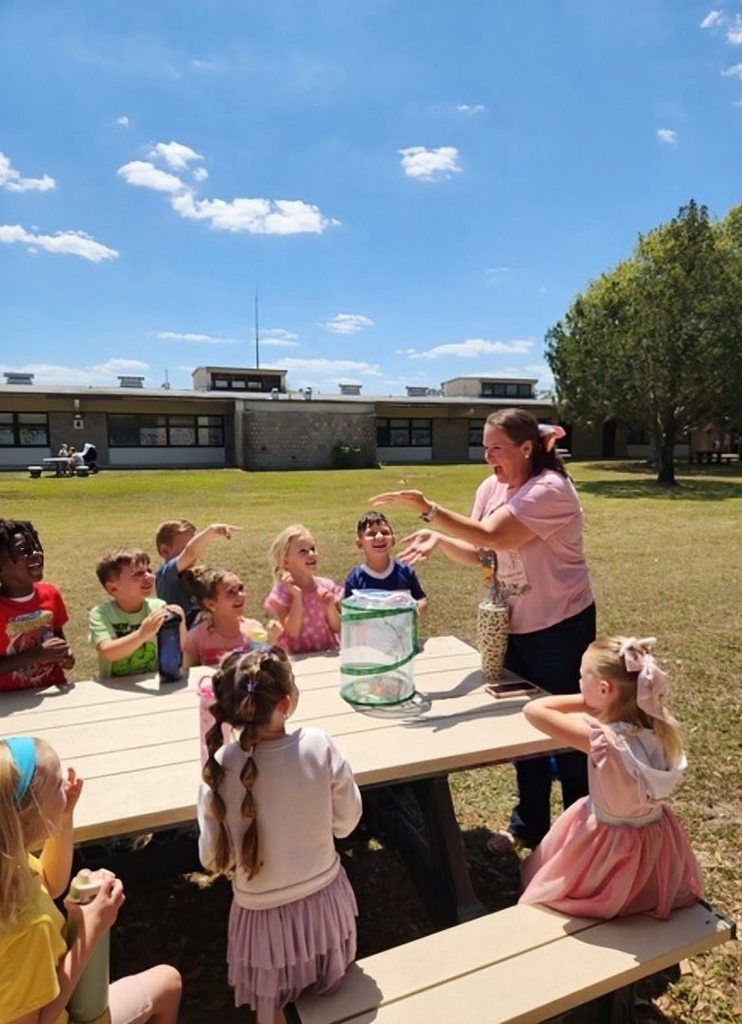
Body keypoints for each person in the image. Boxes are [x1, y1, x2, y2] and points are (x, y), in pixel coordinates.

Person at [371, 407, 595, 852]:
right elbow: (483, 553)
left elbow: (494, 535)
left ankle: (580, 835)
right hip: (514, 626)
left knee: (569, 735)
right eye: (485, 447)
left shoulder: (550, 489)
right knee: (523, 727)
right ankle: (530, 824)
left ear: (526, 448)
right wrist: (441, 540)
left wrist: (429, 510)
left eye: (496, 448)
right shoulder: (491, 487)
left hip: (560, 625)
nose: (487, 457)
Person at [198, 647, 362, 1024]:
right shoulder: (320, 744)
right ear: (286, 702)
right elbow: (347, 823)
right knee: (331, 997)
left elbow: (211, 859)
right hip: (325, 905)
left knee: (271, 1008)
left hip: (260, 920)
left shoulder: (218, 768)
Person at [0, 735, 181, 1023]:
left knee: (166, 984)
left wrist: (64, 815)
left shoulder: (10, 864)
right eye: (58, 783)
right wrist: (90, 931)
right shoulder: (29, 927)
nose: (68, 783)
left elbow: (50, 882)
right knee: (168, 984)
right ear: (26, 818)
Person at [519, 636, 704, 918]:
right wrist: (602, 701)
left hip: (606, 842)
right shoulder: (660, 727)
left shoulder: (604, 740)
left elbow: (533, 710)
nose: (578, 681)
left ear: (605, 689)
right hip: (656, 835)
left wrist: (585, 702)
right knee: (642, 889)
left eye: (582, 677)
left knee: (586, 891)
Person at [0, 519, 75, 692]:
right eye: (23, 551)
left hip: (52, 688)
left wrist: (64, 654)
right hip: (9, 701)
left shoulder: (51, 594)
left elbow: (56, 636)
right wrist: (36, 655)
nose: (36, 553)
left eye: (36, 546)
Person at [88, 549, 185, 678]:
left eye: (148, 571)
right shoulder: (101, 614)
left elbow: (179, 646)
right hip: (115, 688)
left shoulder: (159, 607)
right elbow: (109, 652)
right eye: (138, 574)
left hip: (154, 682)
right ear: (112, 587)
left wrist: (180, 622)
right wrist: (142, 634)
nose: (150, 577)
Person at [264, 525, 343, 654]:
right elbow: (292, 632)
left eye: (312, 549)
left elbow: (338, 627)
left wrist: (330, 608)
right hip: (298, 659)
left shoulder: (327, 586)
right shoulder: (282, 593)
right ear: (286, 560)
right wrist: (296, 596)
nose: (311, 554)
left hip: (328, 654)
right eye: (303, 551)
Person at [181, 565, 277, 668]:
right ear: (211, 604)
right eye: (231, 592)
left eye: (241, 588)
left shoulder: (254, 629)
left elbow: (265, 670)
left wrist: (273, 640)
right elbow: (189, 676)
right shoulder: (196, 638)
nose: (241, 595)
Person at [154, 520, 241, 625]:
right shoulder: (165, 575)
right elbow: (190, 553)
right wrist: (211, 530)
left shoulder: (194, 574)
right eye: (186, 547)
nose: (197, 549)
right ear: (165, 551)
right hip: (181, 637)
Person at [344, 510, 428, 613]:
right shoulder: (354, 578)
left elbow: (421, 599)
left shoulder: (406, 572)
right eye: (371, 534)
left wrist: (413, 610)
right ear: (359, 544)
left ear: (393, 540)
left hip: (402, 629)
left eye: (385, 532)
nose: (379, 537)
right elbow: (349, 612)